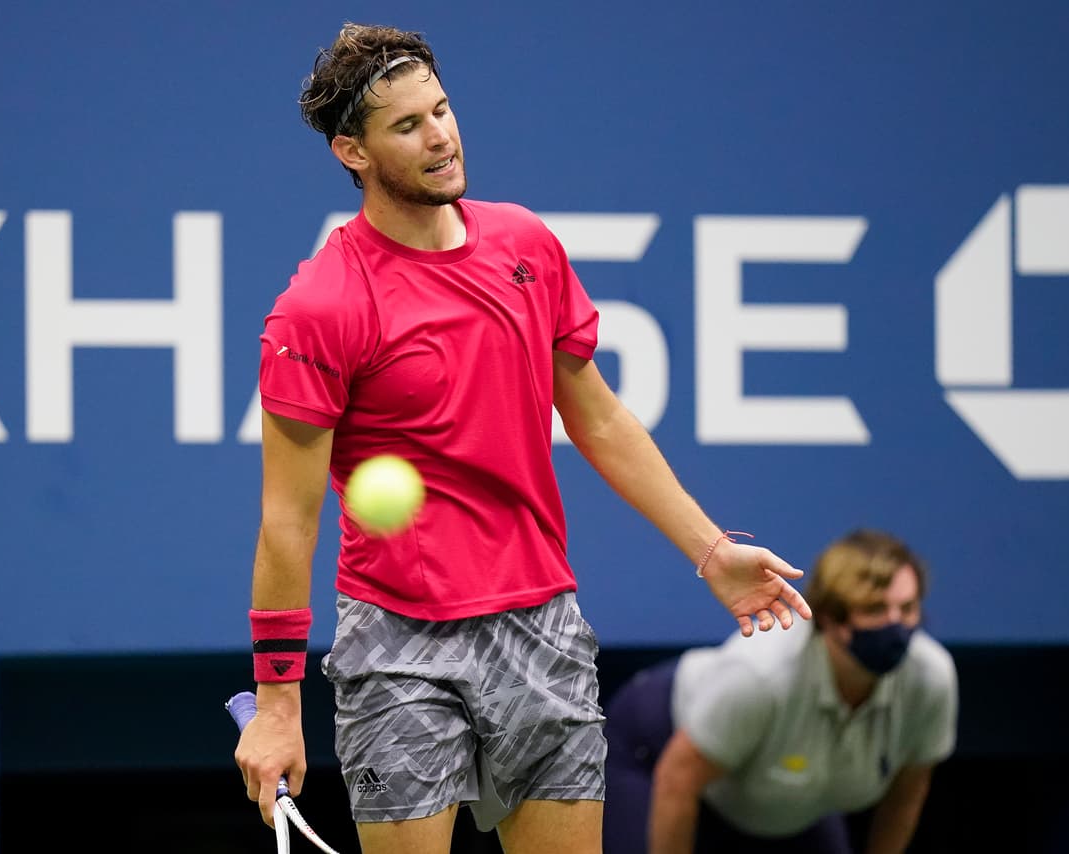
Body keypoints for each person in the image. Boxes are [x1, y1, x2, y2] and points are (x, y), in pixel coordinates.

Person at [233, 22, 813, 854]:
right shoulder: (319, 307)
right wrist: (279, 707)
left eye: (442, 109)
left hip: (541, 623)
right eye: (407, 125)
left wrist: (712, 550)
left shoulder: (525, 247)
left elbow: (599, 417)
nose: (440, 136)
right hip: (397, 641)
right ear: (350, 152)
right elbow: (287, 521)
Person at [602, 529, 959, 854]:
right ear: (831, 617)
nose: (895, 626)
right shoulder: (762, 676)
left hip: (783, 803)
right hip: (654, 754)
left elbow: (905, 796)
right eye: (875, 609)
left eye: (908, 608)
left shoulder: (930, 677)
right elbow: (678, 781)